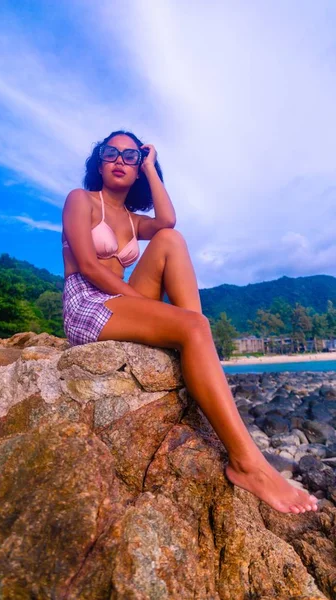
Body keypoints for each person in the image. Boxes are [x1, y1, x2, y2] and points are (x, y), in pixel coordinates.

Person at [61, 130, 318, 515]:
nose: (120, 160)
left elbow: (167, 218)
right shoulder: (81, 200)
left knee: (172, 240)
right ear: (99, 162)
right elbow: (86, 264)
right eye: (111, 152)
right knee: (194, 326)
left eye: (131, 156)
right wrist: (143, 303)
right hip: (88, 303)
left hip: (121, 301)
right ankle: (248, 464)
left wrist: (151, 167)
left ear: (137, 170)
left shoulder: (132, 219)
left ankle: (197, 345)